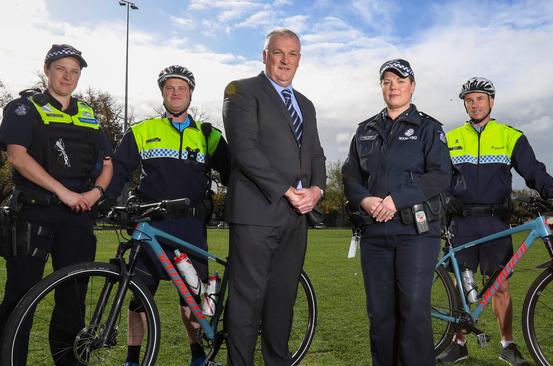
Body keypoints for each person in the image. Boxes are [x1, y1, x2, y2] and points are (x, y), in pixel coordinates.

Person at [437, 77, 553, 365]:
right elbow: (439, 179)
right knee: (462, 285)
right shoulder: (451, 138)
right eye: (469, 99)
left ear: (491, 101)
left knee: (499, 286)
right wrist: (445, 200)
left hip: (495, 222)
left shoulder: (510, 135)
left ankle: (506, 343)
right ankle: (459, 342)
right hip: (461, 222)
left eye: (480, 98)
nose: (474, 104)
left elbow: (534, 171)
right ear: (464, 103)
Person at [104, 65, 231, 366]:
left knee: (191, 302)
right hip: (151, 225)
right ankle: (133, 359)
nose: (176, 93)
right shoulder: (142, 130)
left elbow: (232, 173)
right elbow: (118, 170)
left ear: (190, 94)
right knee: (137, 299)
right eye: (170, 88)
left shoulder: (208, 135)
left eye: (182, 88)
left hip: (189, 227)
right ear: (162, 93)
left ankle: (197, 355)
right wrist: (104, 200)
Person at [0, 44, 113, 365]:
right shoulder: (24, 107)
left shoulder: (89, 114)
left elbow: (107, 162)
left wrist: (96, 194)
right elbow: (17, 156)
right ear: (47, 69)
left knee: (73, 300)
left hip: (78, 218)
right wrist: (63, 192)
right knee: (21, 296)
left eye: (75, 71)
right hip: (33, 213)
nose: (68, 76)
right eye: (61, 69)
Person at [222, 28, 326, 365]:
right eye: (277, 52)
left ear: (299, 60)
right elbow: (245, 149)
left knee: (282, 299)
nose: (285, 60)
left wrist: (317, 190)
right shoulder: (241, 91)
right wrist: (285, 190)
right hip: (257, 213)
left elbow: (316, 155)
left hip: (296, 217)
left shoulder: (306, 105)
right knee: (247, 300)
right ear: (264, 55)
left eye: (292, 54)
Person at [342, 59, 452, 366]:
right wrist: (364, 200)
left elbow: (441, 175)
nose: (394, 87)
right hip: (374, 233)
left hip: (415, 233)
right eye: (388, 82)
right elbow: (350, 175)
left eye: (401, 81)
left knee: (413, 310)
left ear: (412, 86)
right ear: (381, 87)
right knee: (380, 313)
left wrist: (395, 199)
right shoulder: (364, 130)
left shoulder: (429, 128)